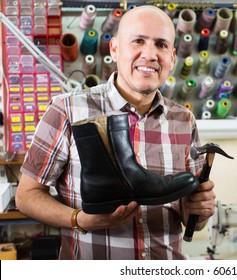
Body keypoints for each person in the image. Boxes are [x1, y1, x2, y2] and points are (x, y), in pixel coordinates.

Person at [15, 5, 216, 260]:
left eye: (161, 45)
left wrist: (197, 213)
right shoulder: (68, 109)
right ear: (114, 49)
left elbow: (193, 220)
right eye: (138, 41)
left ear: (173, 57)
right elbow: (26, 196)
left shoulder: (184, 120)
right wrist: (80, 220)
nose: (150, 54)